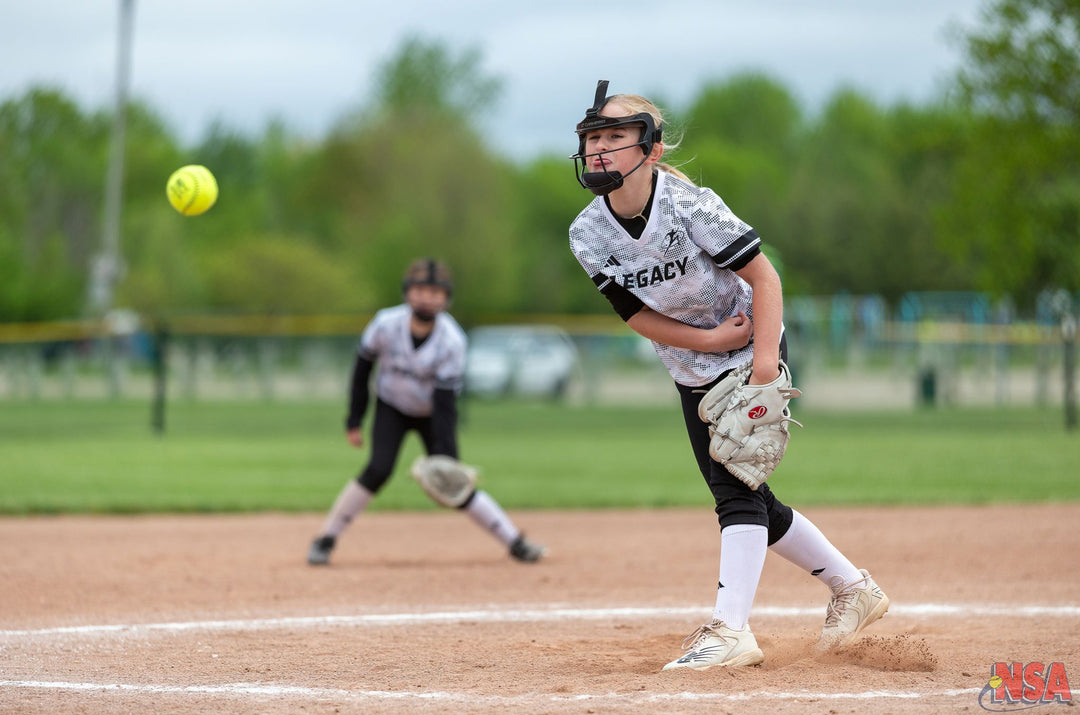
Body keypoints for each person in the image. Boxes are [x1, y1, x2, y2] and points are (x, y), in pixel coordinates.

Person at [567, 81, 888, 670]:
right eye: (594, 138)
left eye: (616, 136)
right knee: (749, 492)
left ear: (651, 149)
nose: (601, 149)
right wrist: (708, 341)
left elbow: (766, 280)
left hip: (751, 342)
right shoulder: (585, 233)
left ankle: (731, 629)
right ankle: (852, 587)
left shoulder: (690, 205)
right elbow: (636, 315)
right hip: (694, 357)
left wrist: (764, 369)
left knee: (730, 491)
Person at [307, 258, 546, 566]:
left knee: (454, 481)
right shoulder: (386, 324)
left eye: (435, 292)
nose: (427, 297)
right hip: (391, 406)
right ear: (407, 293)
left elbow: (446, 403)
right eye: (420, 289)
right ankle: (326, 539)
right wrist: (354, 419)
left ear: (446, 299)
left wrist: (446, 455)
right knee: (378, 470)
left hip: (433, 414)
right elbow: (361, 370)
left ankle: (515, 542)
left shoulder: (452, 340)